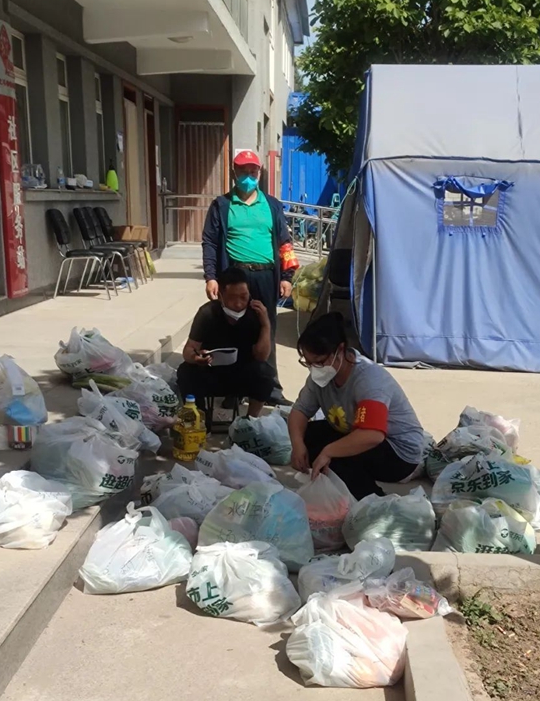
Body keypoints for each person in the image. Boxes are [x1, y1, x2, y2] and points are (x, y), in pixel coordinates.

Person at [288, 312, 425, 500]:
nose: (314, 369)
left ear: (340, 350)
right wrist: (297, 445)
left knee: (335, 456)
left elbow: (372, 434)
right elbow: (300, 411)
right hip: (357, 432)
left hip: (398, 452)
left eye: (319, 362)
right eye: (309, 363)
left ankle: (371, 500)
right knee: (309, 436)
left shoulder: (368, 379)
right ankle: (336, 488)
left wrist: (329, 451)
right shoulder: (320, 377)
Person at [202, 149, 297, 405]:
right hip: (235, 276)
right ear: (234, 172)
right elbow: (210, 242)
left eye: (253, 171)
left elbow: (284, 242)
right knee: (233, 332)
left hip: (265, 275)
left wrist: (286, 276)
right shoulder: (222, 205)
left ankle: (270, 390)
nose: (248, 176)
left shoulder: (272, 205)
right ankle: (234, 390)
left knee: (266, 329)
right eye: (243, 171)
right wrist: (211, 276)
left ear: (260, 173)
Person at [177, 267, 275, 417]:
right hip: (212, 373)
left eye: (243, 297)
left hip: (243, 374)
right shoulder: (208, 313)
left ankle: (250, 420)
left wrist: (265, 324)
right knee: (185, 371)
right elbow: (189, 350)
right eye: (232, 298)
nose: (238, 304)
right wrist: (197, 358)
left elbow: (262, 356)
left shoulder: (256, 313)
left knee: (265, 373)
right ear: (220, 296)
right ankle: (198, 417)